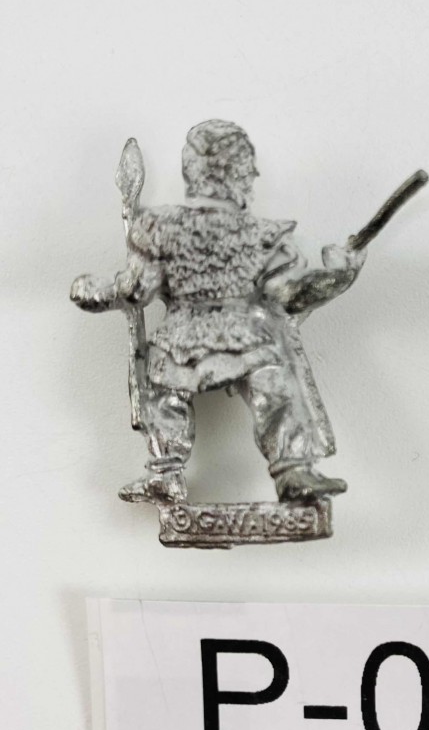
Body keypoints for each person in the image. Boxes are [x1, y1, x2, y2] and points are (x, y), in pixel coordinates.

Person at [70, 119, 365, 504]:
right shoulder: (261, 236)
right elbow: (288, 295)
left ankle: (167, 470)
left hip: (179, 344)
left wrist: (96, 291)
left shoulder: (160, 227)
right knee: (276, 389)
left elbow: (135, 291)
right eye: (249, 166)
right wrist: (337, 276)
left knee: (163, 395)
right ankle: (291, 468)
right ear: (235, 171)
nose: (255, 175)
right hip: (247, 341)